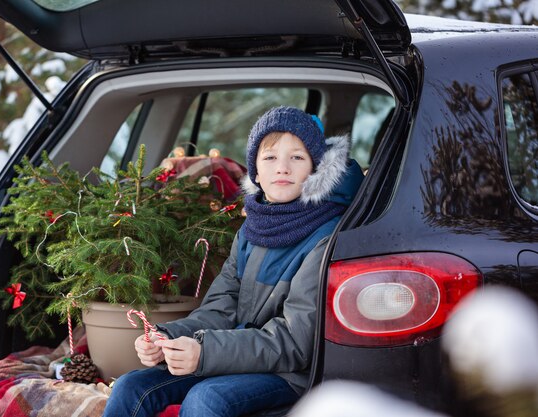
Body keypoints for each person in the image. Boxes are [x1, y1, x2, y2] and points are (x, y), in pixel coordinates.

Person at [103, 106, 364, 417]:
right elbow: (220, 307)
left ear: (317, 168)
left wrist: (205, 352)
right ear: (255, 169)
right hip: (236, 356)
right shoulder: (254, 228)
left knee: (207, 399)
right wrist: (169, 337)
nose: (282, 168)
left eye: (296, 157)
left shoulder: (325, 237)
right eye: (269, 158)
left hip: (292, 375)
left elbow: (294, 343)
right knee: (131, 387)